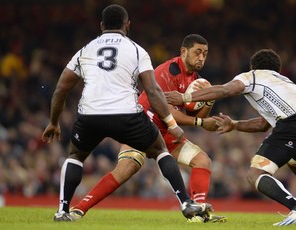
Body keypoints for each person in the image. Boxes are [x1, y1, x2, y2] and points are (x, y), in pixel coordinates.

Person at [41, 4, 212, 222]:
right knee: (159, 150)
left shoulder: (85, 50)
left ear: (101, 25)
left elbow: (61, 89)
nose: (202, 58)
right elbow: (152, 91)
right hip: (127, 114)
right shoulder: (137, 50)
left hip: (90, 113)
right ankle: (186, 203)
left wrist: (54, 122)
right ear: (127, 25)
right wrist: (172, 123)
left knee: (75, 156)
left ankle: (62, 211)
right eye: (198, 52)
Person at [166, 49, 296, 226]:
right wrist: (235, 124)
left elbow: (225, 90)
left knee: (256, 173)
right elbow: (263, 124)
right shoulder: (284, 81)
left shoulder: (251, 76)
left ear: (254, 67)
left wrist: (184, 97)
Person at [69, 34, 226, 223]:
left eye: (205, 54)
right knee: (126, 168)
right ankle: (79, 209)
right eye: (197, 52)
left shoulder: (196, 80)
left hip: (167, 131)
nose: (201, 57)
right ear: (184, 51)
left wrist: (208, 102)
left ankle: (198, 214)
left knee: (202, 160)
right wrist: (200, 123)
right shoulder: (168, 70)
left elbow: (193, 117)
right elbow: (166, 110)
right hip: (142, 126)